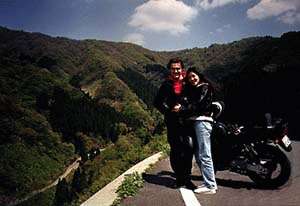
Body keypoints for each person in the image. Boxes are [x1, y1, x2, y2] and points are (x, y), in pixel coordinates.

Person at [153, 58, 196, 189]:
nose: (176, 71)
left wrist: (185, 108)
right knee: (176, 150)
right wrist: (168, 112)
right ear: (170, 70)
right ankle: (179, 178)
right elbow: (157, 102)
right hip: (172, 123)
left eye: (178, 68)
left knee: (188, 148)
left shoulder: (187, 83)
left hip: (188, 121)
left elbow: (195, 99)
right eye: (173, 68)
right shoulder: (166, 85)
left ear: (182, 69)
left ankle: (187, 178)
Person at [182, 67, 218, 194]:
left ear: (199, 75)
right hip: (197, 122)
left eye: (194, 76)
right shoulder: (196, 89)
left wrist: (182, 109)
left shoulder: (204, 87)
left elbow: (198, 105)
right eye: (189, 77)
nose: (192, 79)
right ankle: (208, 181)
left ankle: (210, 186)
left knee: (204, 153)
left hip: (203, 122)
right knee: (199, 154)